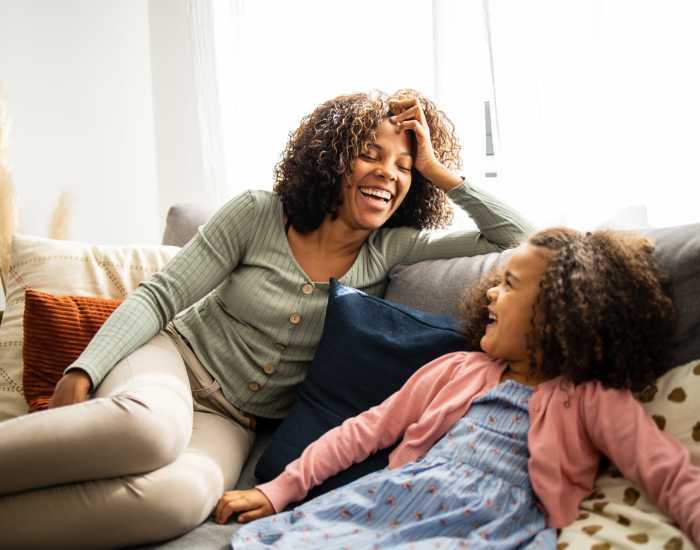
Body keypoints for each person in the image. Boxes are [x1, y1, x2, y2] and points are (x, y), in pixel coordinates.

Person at [0, 89, 534, 548]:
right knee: (149, 431)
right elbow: (162, 296)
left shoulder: (393, 249)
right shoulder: (258, 213)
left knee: (179, 500)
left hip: (232, 419)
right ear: (332, 159)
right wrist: (85, 368)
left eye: (402, 165)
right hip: (174, 361)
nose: (385, 174)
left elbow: (517, 237)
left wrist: (439, 172)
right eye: (369, 154)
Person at [219, 227, 700, 549]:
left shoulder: (591, 398)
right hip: (401, 495)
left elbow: (664, 468)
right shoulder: (457, 369)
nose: (492, 291)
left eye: (510, 285)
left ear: (562, 313)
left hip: (498, 523)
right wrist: (281, 488)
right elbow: (363, 432)